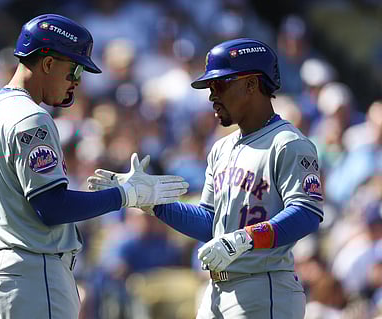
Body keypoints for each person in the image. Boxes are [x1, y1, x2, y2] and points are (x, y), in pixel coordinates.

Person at [0, 14, 188, 319]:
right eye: (74, 69)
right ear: (47, 63)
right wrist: (126, 195)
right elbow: (52, 206)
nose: (77, 81)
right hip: (31, 272)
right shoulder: (31, 117)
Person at [88, 38, 323, 318]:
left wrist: (246, 238)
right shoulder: (222, 147)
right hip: (217, 290)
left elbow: (307, 213)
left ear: (251, 84)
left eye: (220, 85)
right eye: (211, 87)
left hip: (264, 288)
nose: (212, 95)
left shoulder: (288, 143)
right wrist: (154, 203)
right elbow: (211, 223)